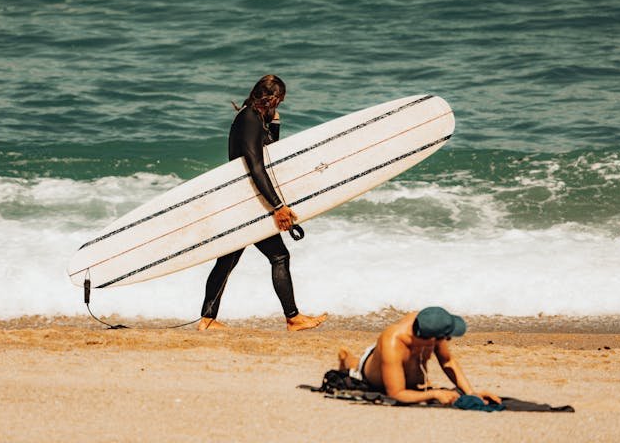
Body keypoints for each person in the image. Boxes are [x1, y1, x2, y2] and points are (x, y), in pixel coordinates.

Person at [198, 75, 327, 332]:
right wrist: (277, 206)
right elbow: (256, 167)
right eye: (279, 102)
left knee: (228, 261)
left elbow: (270, 155)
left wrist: (275, 123)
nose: (279, 106)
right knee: (278, 255)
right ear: (271, 98)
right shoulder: (249, 119)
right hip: (247, 202)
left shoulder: (256, 119)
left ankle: (207, 319)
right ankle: (292, 318)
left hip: (245, 200)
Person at [337, 306, 501, 405]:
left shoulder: (430, 324)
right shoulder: (393, 341)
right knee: (355, 366)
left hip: (410, 375)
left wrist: (471, 393)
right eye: (447, 337)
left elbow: (447, 361)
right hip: (372, 372)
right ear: (431, 339)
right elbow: (396, 393)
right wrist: (434, 393)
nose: (448, 340)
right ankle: (345, 356)